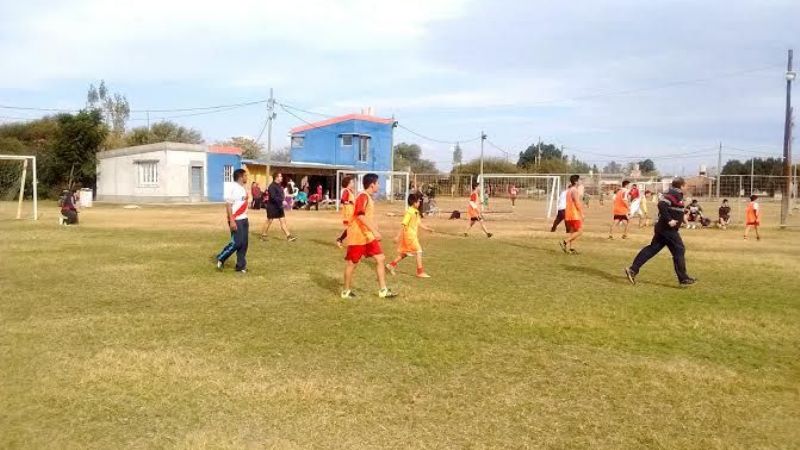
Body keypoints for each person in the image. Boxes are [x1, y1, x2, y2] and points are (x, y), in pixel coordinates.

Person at [624, 177, 697, 286]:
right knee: (679, 249)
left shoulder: (677, 194)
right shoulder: (674, 193)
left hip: (663, 228)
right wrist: (670, 220)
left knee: (653, 249)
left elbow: (672, 207)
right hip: (667, 229)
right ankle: (683, 278)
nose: (687, 187)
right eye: (686, 185)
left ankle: (633, 270)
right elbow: (662, 205)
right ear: (681, 186)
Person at [341, 173, 398, 299]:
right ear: (372, 185)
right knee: (352, 263)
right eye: (378, 183)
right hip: (358, 236)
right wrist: (374, 230)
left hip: (367, 235)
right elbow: (360, 215)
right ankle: (346, 291)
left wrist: (375, 228)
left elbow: (367, 216)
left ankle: (383, 290)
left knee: (381, 258)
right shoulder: (362, 196)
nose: (379, 185)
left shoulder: (369, 197)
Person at [386, 193, 435, 278]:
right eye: (418, 201)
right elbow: (403, 224)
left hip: (412, 235)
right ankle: (420, 272)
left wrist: (427, 229)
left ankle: (391, 265)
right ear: (414, 202)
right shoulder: (409, 212)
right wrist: (398, 236)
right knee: (419, 251)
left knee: (405, 253)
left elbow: (419, 223)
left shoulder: (416, 212)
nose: (419, 203)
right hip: (409, 236)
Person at [215, 169, 250, 273]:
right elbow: (228, 205)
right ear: (240, 177)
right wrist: (232, 220)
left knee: (244, 244)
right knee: (237, 243)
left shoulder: (243, 189)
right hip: (236, 219)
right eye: (245, 176)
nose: (246, 177)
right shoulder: (232, 188)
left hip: (244, 219)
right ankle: (221, 257)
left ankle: (240, 266)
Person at [261, 172, 298, 242]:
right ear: (276, 177)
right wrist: (282, 201)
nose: (281, 178)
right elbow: (273, 197)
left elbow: (281, 195)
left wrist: (284, 199)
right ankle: (263, 235)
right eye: (280, 176)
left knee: (283, 221)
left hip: (279, 207)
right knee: (269, 221)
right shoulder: (271, 186)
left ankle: (288, 236)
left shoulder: (279, 186)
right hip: (272, 207)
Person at [559, 175, 584, 254]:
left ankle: (571, 249)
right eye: (579, 180)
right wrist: (581, 213)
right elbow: (577, 202)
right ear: (576, 181)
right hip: (574, 214)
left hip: (568, 213)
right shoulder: (574, 190)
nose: (580, 182)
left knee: (572, 232)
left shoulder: (569, 190)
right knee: (580, 232)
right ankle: (565, 242)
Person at [336, 176, 356, 248]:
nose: (353, 183)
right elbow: (343, 200)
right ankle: (342, 240)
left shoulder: (350, 191)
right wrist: (350, 202)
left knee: (352, 228)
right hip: (348, 212)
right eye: (352, 182)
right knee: (352, 228)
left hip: (352, 211)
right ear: (348, 183)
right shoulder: (346, 191)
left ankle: (340, 239)